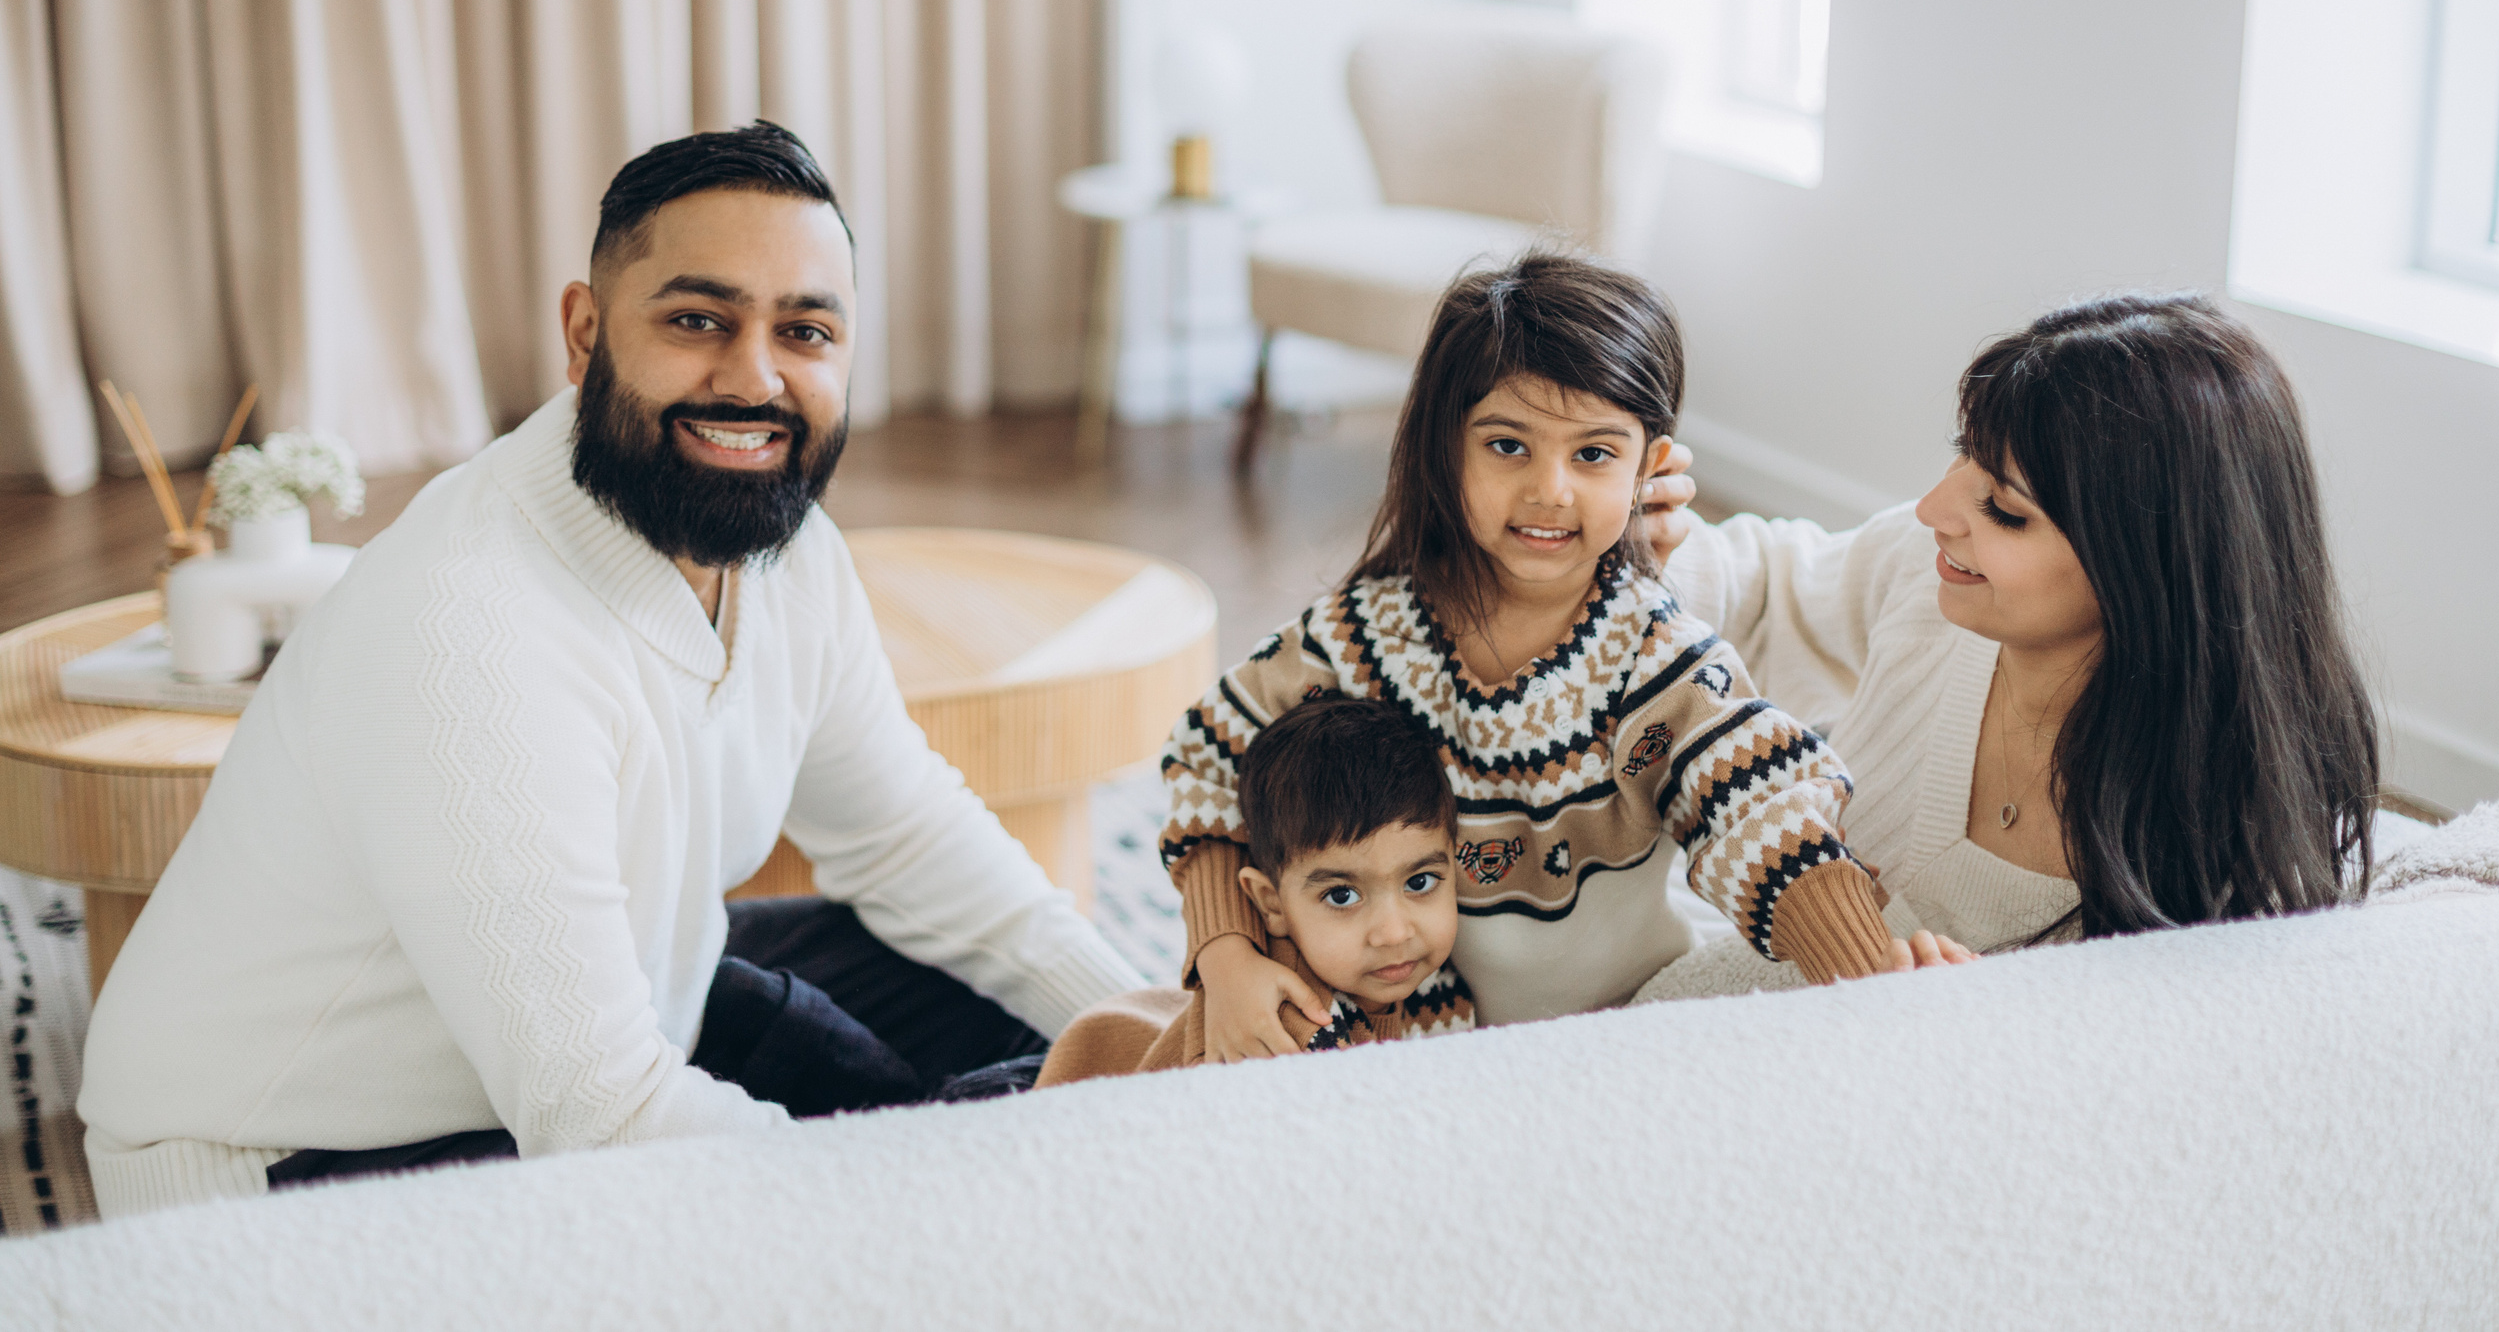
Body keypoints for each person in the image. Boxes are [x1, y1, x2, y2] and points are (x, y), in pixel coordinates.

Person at [79, 122, 1142, 1216]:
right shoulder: (467, 627)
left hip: (591, 1026)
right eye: (697, 320)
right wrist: (922, 1201)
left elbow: (906, 836)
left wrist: (1158, 1029)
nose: (754, 376)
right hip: (285, 1179)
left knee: (1035, 1015)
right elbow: (602, 1118)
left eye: (805, 331)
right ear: (586, 333)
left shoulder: (785, 555)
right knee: (959, 1165)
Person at [1162, 251, 1929, 1064]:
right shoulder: (1357, 638)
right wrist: (1227, 956)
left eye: (1593, 454)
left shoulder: (1655, 659)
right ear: (1442, 447)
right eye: (1507, 446)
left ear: (1650, 471)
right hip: (1402, 1039)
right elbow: (1209, 758)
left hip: (1611, 1041)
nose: (1550, 489)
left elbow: (1762, 811)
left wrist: (1874, 974)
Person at [1645, 291, 2379, 988]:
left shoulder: (2219, 857)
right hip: (1686, 973)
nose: (1935, 508)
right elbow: (1772, 593)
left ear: (2145, 571)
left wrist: (1979, 1028)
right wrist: (1640, 543)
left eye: (2002, 507)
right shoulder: (1933, 576)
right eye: (1964, 451)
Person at [1037, 696, 1473, 1086]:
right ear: (1270, 903)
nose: (1394, 933)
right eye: (1342, 896)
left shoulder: (1449, 984)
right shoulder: (1287, 1033)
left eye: (1419, 883)